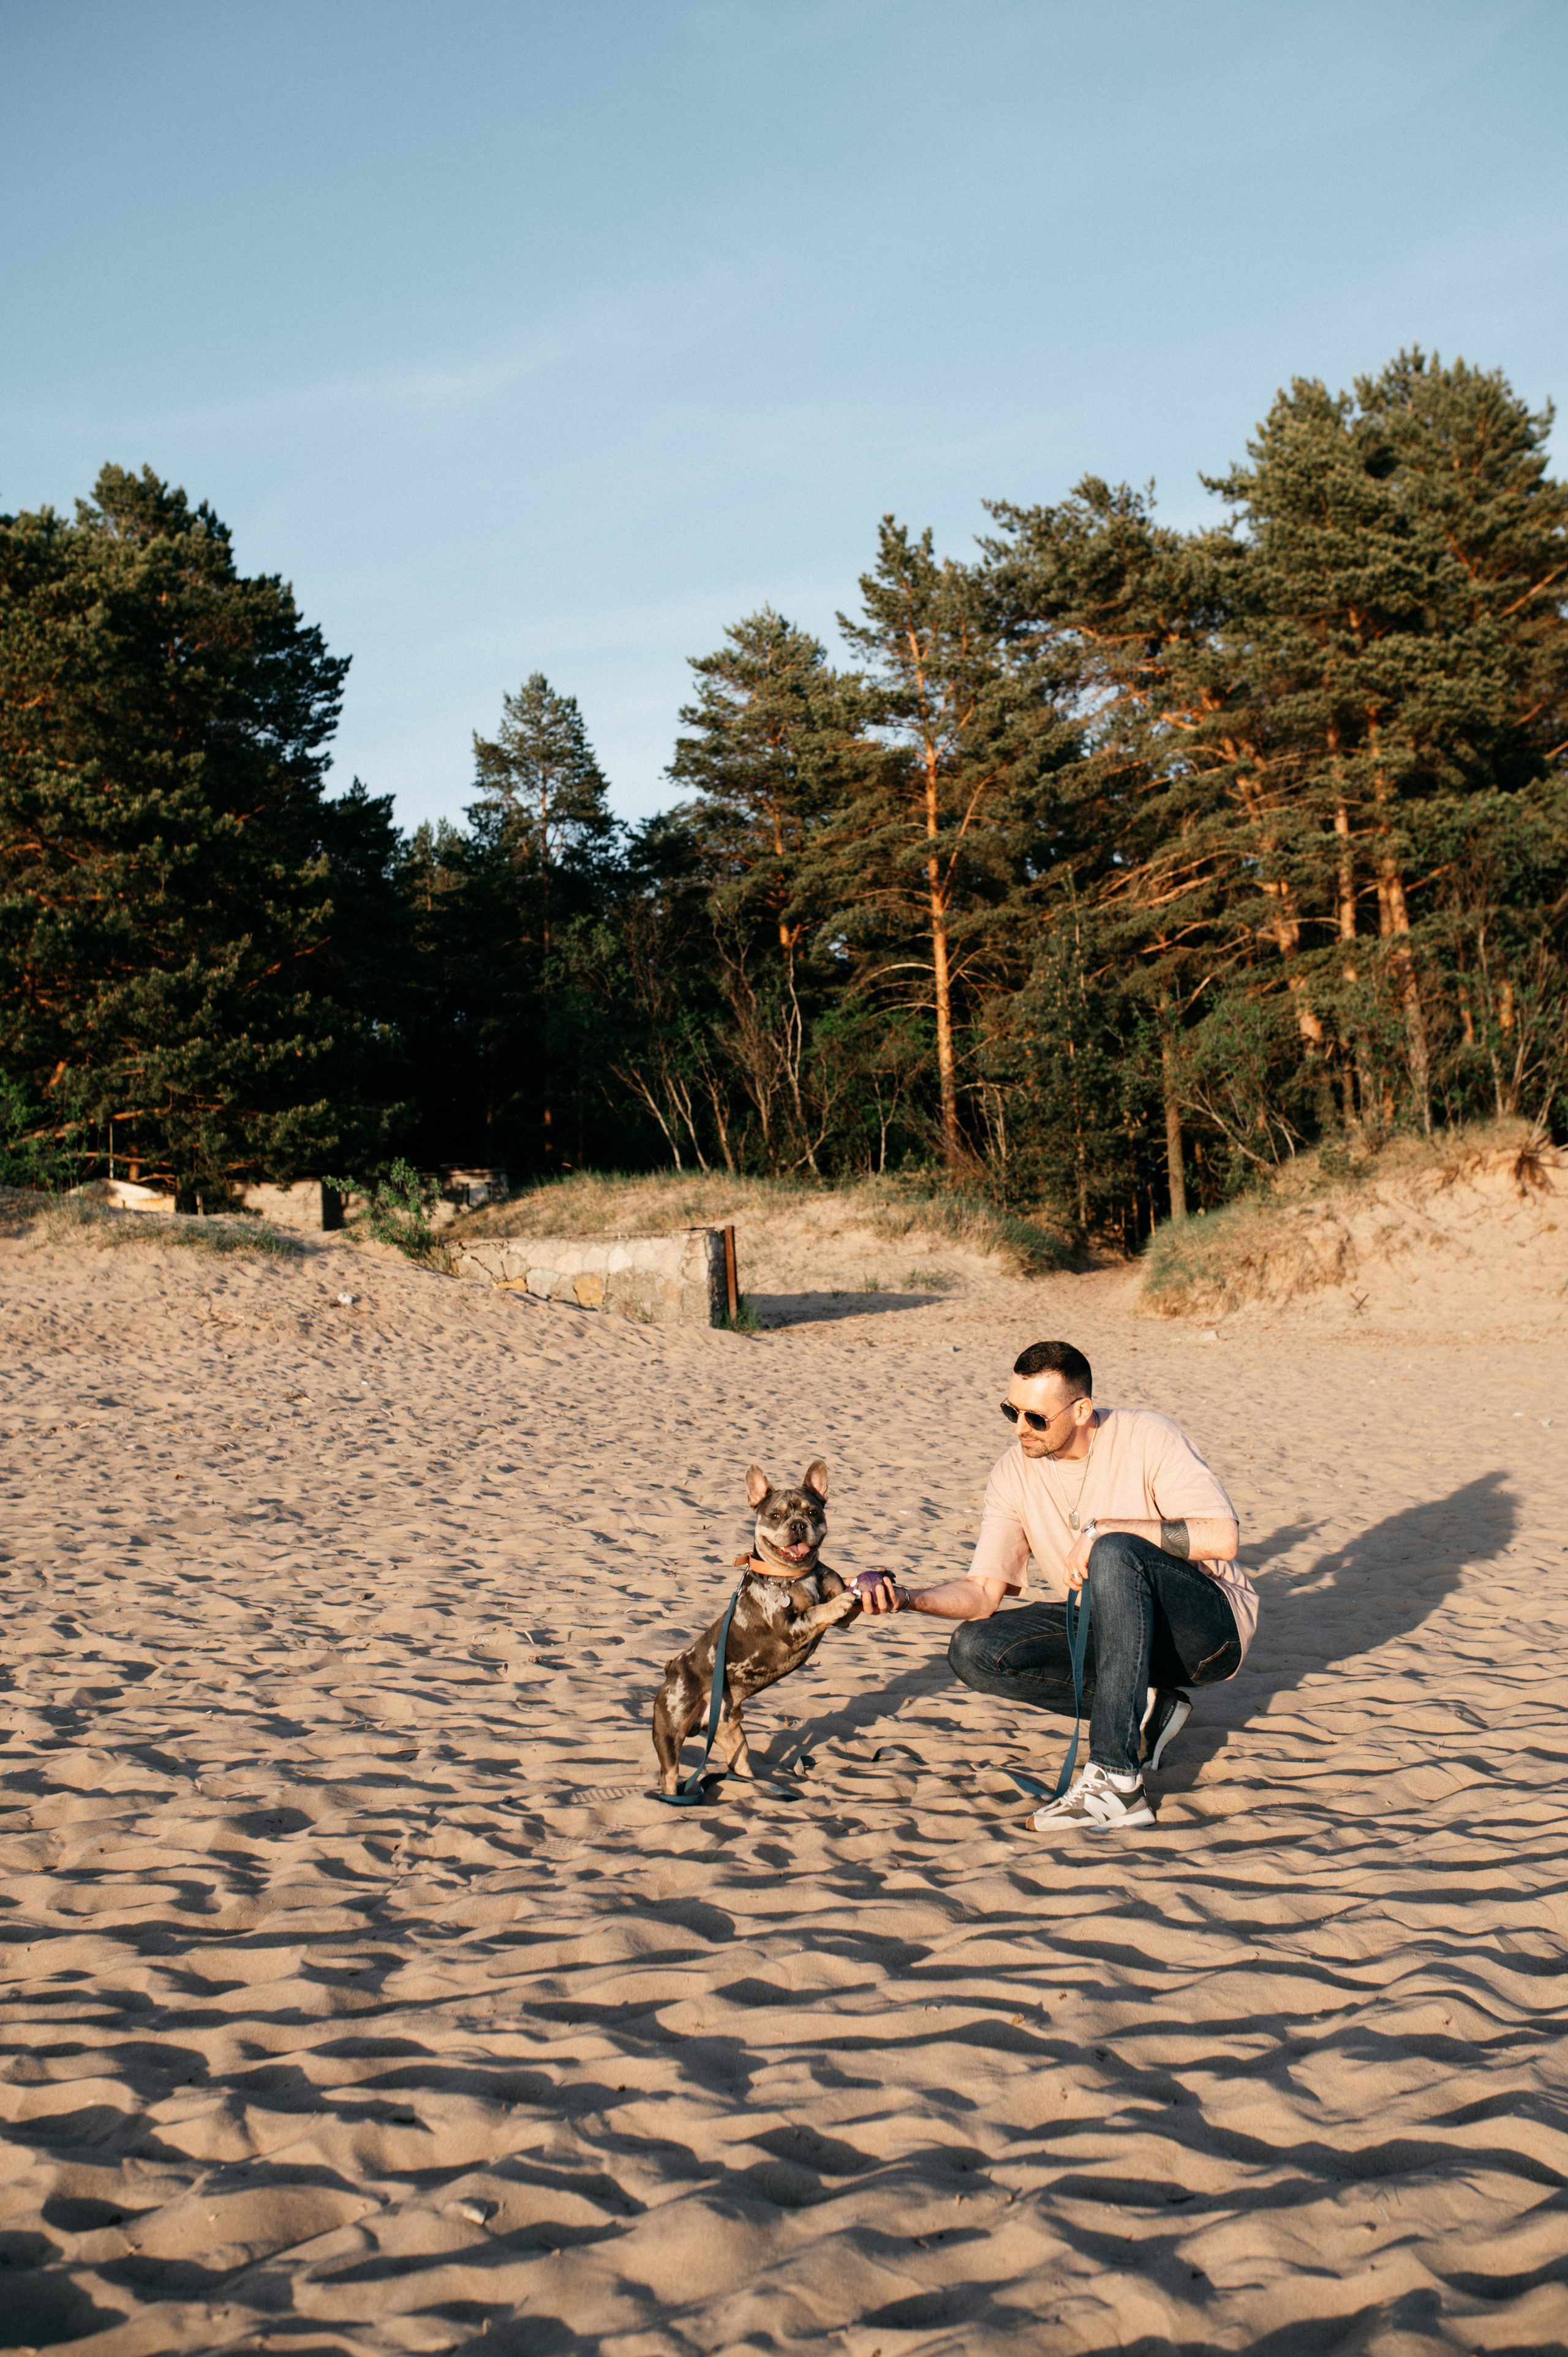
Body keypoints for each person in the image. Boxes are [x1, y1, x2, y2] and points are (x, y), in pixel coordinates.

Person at [859, 1338, 1254, 1830]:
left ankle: (1117, 1783)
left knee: (1114, 1549)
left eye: (1036, 1418)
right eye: (1012, 1412)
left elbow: (1223, 1538)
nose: (1020, 1428)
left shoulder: (1147, 1435)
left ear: (1082, 1410)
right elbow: (982, 1593)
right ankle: (1149, 1709)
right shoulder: (1012, 1473)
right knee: (974, 1648)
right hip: (1114, 1631)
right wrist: (905, 1599)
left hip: (1207, 1636)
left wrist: (1105, 1530)